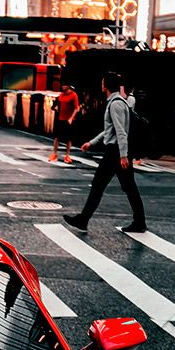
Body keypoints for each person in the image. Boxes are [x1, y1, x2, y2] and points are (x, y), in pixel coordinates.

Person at [64, 71, 146, 235]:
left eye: (102, 82)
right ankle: (139, 221)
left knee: (100, 186)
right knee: (126, 187)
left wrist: (123, 155)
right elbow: (110, 130)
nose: (101, 85)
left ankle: (83, 219)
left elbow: (121, 132)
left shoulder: (115, 104)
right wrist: (92, 143)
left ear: (106, 85)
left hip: (115, 153)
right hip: (117, 151)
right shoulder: (118, 102)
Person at [50, 84, 80, 164]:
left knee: (68, 138)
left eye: (64, 85)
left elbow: (77, 108)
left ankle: (67, 155)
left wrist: (71, 117)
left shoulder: (73, 95)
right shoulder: (61, 95)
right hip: (60, 118)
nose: (62, 86)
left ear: (68, 86)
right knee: (56, 137)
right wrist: (55, 108)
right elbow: (56, 105)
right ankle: (54, 154)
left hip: (68, 120)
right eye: (62, 85)